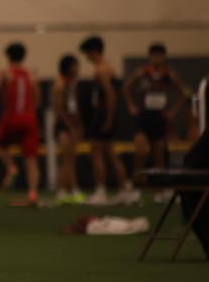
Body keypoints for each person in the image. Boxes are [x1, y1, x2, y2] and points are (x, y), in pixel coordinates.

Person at [79, 35, 136, 205]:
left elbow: (111, 95)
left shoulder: (102, 70)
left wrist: (108, 120)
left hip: (103, 115)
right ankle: (124, 189)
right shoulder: (107, 67)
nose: (86, 58)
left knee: (97, 153)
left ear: (93, 51)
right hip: (105, 114)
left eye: (87, 54)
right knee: (111, 153)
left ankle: (101, 191)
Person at [123, 43, 190, 181]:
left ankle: (160, 184)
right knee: (141, 151)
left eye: (160, 55)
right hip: (143, 116)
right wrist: (131, 105)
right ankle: (136, 181)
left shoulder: (169, 74)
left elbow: (183, 93)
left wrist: (172, 112)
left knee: (159, 152)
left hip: (159, 116)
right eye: (154, 55)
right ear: (150, 56)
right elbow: (126, 88)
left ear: (164, 57)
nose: (157, 58)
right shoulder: (142, 72)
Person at [0, 43, 41, 204]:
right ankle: (32, 193)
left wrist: (1, 96)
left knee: (0, 143)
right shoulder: (31, 75)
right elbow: (37, 99)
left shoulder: (4, 73)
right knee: (31, 159)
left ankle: (11, 167)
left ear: (8, 57)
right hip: (29, 118)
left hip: (11, 116)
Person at [53, 55, 85, 204]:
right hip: (63, 127)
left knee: (70, 159)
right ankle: (72, 190)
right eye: (75, 66)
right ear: (68, 67)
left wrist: (78, 125)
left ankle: (64, 191)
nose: (78, 69)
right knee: (66, 160)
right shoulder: (60, 85)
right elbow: (59, 110)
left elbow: (74, 107)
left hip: (72, 125)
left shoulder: (72, 84)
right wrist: (70, 127)